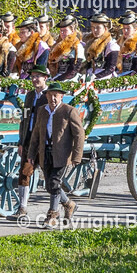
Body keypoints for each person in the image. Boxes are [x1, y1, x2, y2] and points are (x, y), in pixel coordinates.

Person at [28, 81, 85, 227]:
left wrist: (77, 156)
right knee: (49, 185)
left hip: (62, 153)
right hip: (45, 152)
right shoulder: (42, 110)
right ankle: (69, 204)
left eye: (56, 96)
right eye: (50, 95)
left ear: (61, 97)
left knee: (54, 183)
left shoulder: (69, 111)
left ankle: (53, 215)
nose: (53, 99)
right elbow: (36, 134)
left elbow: (79, 134)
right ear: (46, 96)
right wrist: (31, 153)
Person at [10, 64, 50, 221]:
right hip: (29, 140)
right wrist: (21, 141)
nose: (34, 80)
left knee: (50, 178)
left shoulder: (50, 95)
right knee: (24, 173)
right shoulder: (29, 96)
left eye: (37, 77)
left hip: (44, 142)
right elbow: (24, 120)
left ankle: (66, 204)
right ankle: (22, 208)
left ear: (45, 78)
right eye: (32, 77)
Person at [82, 13, 120, 79]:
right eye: (93, 27)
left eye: (98, 28)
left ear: (105, 29)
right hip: (90, 74)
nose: (95, 30)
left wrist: (96, 77)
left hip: (105, 77)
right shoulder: (90, 43)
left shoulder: (111, 45)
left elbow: (110, 69)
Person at [48, 14, 85, 81]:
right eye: (61, 30)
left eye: (65, 30)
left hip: (71, 78)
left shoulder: (77, 47)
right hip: (57, 76)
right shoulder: (57, 46)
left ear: (72, 31)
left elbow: (73, 70)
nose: (62, 33)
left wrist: (58, 80)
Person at [116, 10, 137, 75]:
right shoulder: (119, 43)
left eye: (128, 28)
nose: (125, 31)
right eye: (124, 28)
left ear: (135, 29)